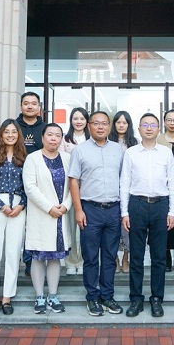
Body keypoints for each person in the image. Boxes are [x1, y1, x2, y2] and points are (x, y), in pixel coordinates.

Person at [120, 113, 174, 317]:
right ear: (139, 128)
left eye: (153, 125)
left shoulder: (165, 153)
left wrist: (172, 212)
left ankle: (156, 299)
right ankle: (136, 298)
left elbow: (173, 183)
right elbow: (124, 183)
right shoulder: (131, 153)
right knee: (136, 256)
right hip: (137, 205)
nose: (149, 128)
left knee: (159, 257)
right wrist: (124, 212)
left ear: (158, 128)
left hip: (160, 206)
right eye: (145, 124)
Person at [68, 111, 125, 316]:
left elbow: (124, 180)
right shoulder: (80, 151)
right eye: (96, 123)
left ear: (109, 126)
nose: (100, 127)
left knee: (110, 257)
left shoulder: (118, 150)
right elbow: (73, 180)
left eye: (104, 123)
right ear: (89, 126)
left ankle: (107, 296)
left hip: (113, 209)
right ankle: (92, 297)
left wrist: (124, 211)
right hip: (90, 209)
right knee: (91, 257)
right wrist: (79, 210)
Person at [22, 123, 72, 314]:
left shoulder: (67, 158)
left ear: (61, 139)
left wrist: (66, 205)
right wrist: (49, 207)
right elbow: (30, 187)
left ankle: (52, 295)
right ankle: (39, 296)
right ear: (42, 137)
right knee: (38, 256)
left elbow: (74, 185)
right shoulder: (32, 158)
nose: (53, 138)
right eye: (49, 134)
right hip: (41, 215)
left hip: (61, 214)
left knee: (55, 257)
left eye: (57, 135)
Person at [0, 119, 27, 316]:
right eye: (6, 132)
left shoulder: (25, 158)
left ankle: (7, 296)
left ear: (18, 135)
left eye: (13, 132)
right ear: (1, 134)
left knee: (12, 252)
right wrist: (1, 206)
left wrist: (20, 205)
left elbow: (30, 185)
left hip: (18, 207)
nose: (10, 135)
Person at [16, 91, 45, 276]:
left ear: (39, 107)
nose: (30, 106)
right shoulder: (13, 126)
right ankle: (25, 260)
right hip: (17, 181)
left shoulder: (45, 128)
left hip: (39, 182)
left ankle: (36, 259)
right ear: (21, 106)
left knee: (37, 223)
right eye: (26, 103)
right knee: (22, 224)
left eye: (33, 103)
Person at [61, 107, 89, 276]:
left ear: (87, 121)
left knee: (87, 229)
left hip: (89, 188)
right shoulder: (65, 140)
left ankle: (85, 260)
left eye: (82, 118)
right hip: (70, 187)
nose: (78, 121)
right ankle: (71, 261)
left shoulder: (92, 139)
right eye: (75, 118)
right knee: (71, 227)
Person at [108, 110, 137, 274]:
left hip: (130, 189)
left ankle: (126, 257)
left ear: (128, 125)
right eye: (118, 122)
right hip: (111, 188)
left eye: (124, 122)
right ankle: (115, 259)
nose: (121, 125)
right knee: (113, 226)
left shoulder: (135, 142)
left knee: (128, 226)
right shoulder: (107, 141)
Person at [157, 109, 174, 272]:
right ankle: (166, 256)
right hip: (162, 189)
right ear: (164, 122)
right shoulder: (158, 140)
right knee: (163, 223)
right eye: (169, 119)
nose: (172, 123)